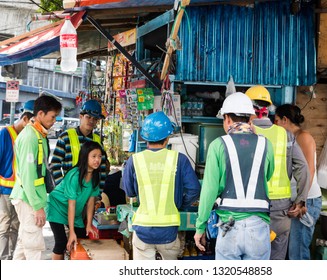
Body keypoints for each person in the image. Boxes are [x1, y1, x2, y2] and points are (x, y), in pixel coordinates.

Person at [194, 92, 275, 260]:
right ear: (250, 119)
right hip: (258, 228)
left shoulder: (218, 145)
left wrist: (200, 227)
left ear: (228, 119)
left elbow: (209, 190)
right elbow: (267, 175)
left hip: (229, 227)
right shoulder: (265, 144)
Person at [122, 111, 201, 260]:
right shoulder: (179, 159)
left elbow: (130, 192)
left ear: (145, 138)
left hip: (142, 230)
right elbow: (194, 189)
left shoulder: (135, 160)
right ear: (167, 138)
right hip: (169, 231)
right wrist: (179, 203)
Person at [246, 86, 310, 260]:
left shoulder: (245, 134)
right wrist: (300, 200)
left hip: (253, 208)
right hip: (281, 210)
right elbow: (303, 167)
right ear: (268, 109)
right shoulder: (285, 135)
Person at [10, 95, 62, 260]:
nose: (54, 120)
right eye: (52, 116)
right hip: (28, 200)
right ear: (40, 113)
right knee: (33, 248)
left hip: (30, 198)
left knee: (24, 246)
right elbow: (28, 176)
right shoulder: (30, 137)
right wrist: (37, 207)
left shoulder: (38, 135)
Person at [274, 104, 322, 260]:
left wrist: (301, 202)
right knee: (291, 251)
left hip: (307, 200)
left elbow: (309, 171)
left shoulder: (303, 137)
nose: (274, 125)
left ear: (285, 120)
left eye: (276, 121)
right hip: (295, 200)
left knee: (298, 252)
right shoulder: (287, 139)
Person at [46, 141, 102, 260]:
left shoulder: (95, 176)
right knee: (61, 242)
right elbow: (71, 204)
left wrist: (88, 224)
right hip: (57, 207)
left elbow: (91, 202)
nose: (97, 160)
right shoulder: (74, 175)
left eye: (99, 156)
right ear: (85, 156)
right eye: (93, 156)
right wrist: (71, 231)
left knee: (82, 239)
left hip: (74, 212)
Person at [0, 100, 35, 260]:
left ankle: (9, 259)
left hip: (20, 192)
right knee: (5, 226)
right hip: (6, 191)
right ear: (26, 118)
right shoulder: (5, 134)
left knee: (15, 227)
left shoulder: (28, 137)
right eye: (33, 122)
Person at [51, 99, 107, 189]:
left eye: (95, 119)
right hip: (69, 192)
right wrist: (62, 188)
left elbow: (102, 169)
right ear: (81, 116)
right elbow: (55, 165)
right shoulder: (66, 137)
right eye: (88, 117)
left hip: (89, 193)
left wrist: (98, 193)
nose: (91, 121)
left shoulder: (98, 141)